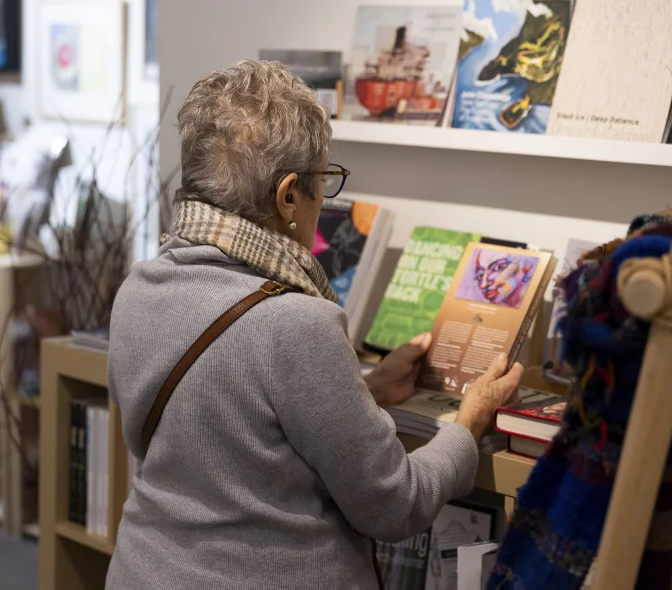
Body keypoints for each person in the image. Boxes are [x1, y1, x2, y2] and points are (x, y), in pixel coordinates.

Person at [106, 60, 524, 590]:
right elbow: (394, 505)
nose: (323, 199)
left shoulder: (140, 288)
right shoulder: (297, 323)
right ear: (287, 198)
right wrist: (468, 424)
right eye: (322, 180)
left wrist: (364, 390)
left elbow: (211, 427)